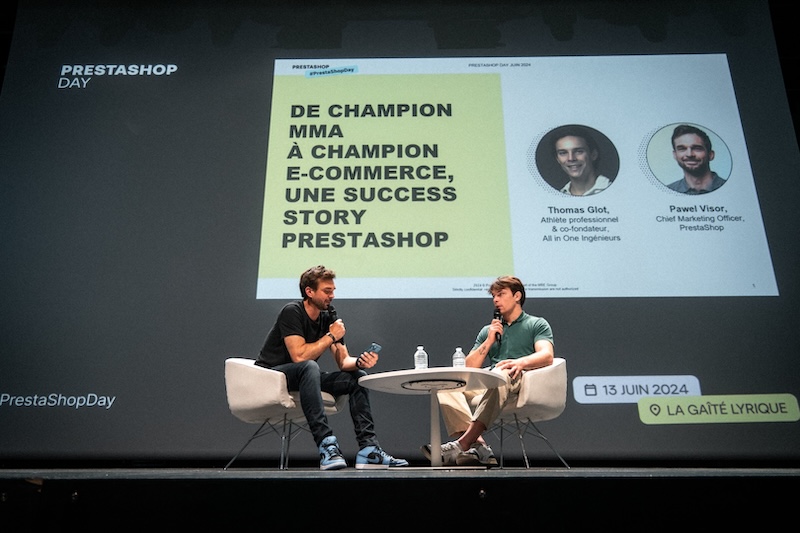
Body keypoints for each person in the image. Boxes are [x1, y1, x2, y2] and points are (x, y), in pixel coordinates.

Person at [256, 265, 408, 470]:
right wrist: (330, 336)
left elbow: (343, 362)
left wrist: (360, 361)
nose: (332, 296)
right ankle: (326, 445)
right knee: (309, 366)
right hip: (272, 376)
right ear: (309, 292)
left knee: (357, 378)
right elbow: (299, 356)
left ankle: (369, 450)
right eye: (327, 291)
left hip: (304, 376)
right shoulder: (292, 311)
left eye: (333, 290)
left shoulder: (328, 317)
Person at [422, 275, 555, 467]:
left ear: (517, 296)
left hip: (518, 377)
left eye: (501, 294)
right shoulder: (489, 330)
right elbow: (468, 368)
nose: (496, 300)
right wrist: (490, 340)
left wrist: (520, 362)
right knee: (448, 385)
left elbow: (547, 355)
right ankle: (480, 447)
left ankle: (462, 443)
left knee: (500, 376)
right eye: (494, 296)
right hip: (492, 379)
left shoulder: (536, 324)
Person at [667, 124, 727, 194]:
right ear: (675, 155)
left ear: (710, 155)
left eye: (697, 148)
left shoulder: (730, 188)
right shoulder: (667, 192)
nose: (689, 154)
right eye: (682, 149)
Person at [552, 126, 612, 196]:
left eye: (578, 151)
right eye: (563, 153)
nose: (571, 158)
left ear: (593, 155)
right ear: (558, 159)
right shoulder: (557, 196)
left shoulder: (613, 189)